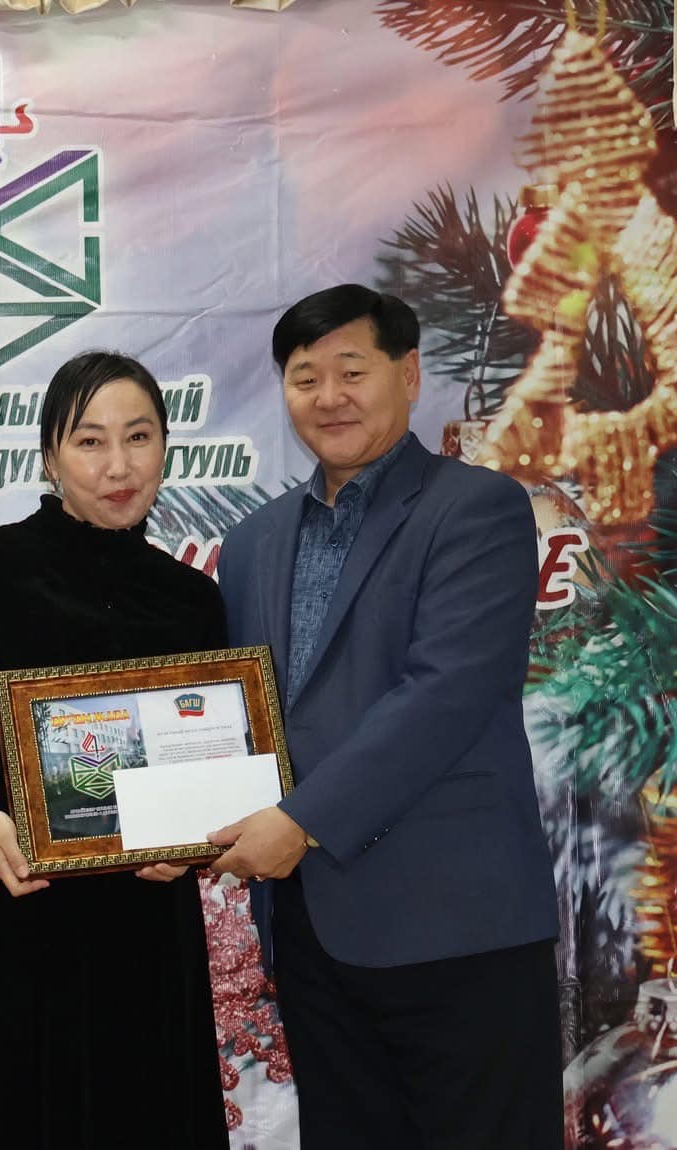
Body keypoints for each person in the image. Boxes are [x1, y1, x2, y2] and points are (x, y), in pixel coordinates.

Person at [207, 284, 562, 1149]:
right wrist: (177, 826)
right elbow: (240, 714)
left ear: (408, 375)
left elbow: (446, 693)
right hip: (311, 931)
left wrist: (299, 821)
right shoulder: (252, 543)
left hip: (456, 923)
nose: (328, 397)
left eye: (352, 371)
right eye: (305, 378)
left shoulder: (476, 508)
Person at [0, 351, 231, 1150]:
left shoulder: (192, 599)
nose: (118, 466)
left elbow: (208, 760)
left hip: (142, 927)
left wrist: (194, 844)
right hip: (8, 908)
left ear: (165, 448)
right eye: (90, 441)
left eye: (138, 437)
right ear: (50, 457)